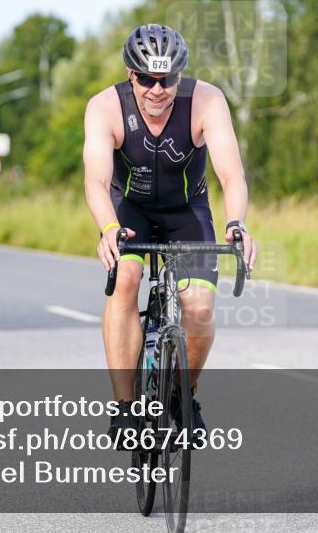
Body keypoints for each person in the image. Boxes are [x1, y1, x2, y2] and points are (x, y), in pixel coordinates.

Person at [83, 23, 257, 441]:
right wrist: (108, 227)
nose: (157, 90)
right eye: (146, 79)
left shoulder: (206, 101)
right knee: (125, 278)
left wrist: (237, 224)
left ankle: (184, 394)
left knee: (198, 309)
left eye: (167, 80)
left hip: (187, 212)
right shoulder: (105, 107)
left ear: (180, 76)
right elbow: (94, 180)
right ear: (131, 74)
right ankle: (124, 407)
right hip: (130, 210)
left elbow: (232, 176)